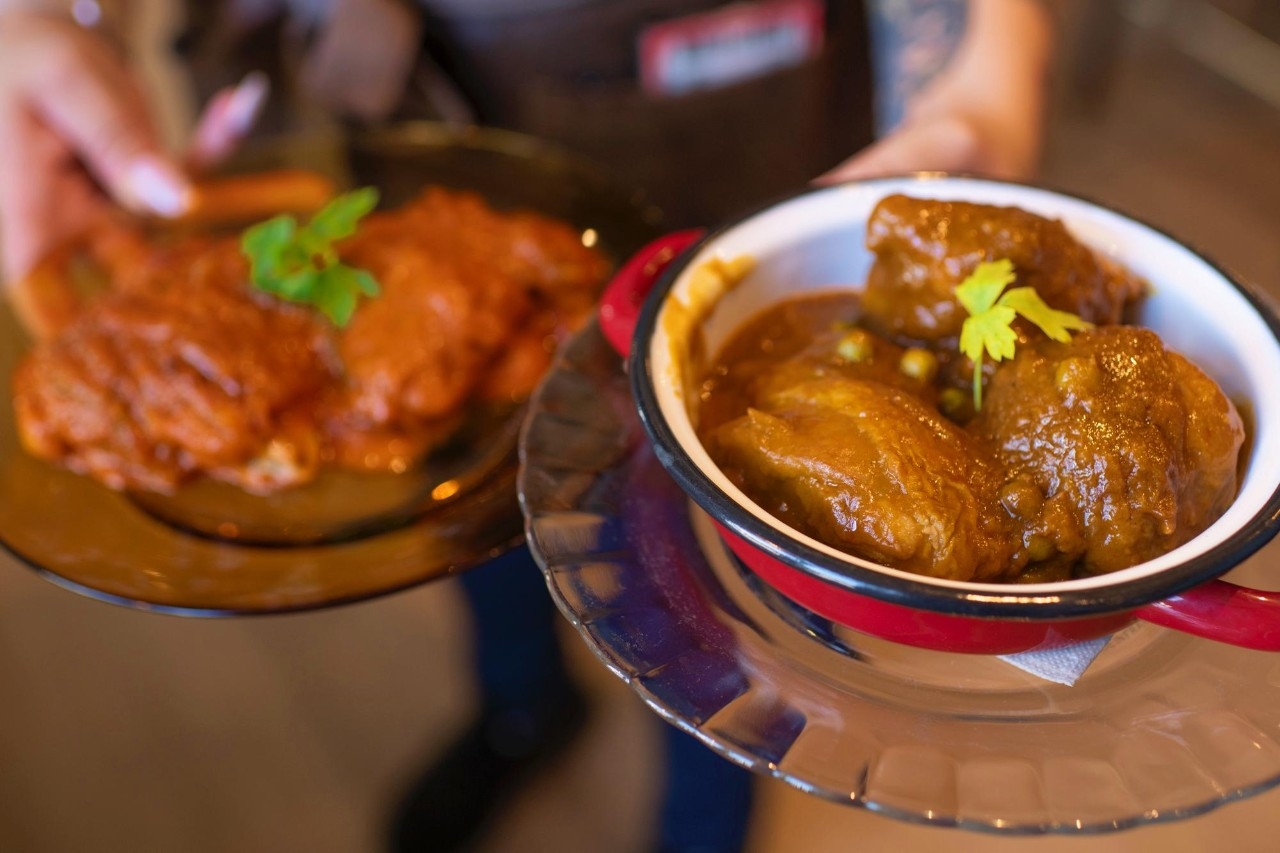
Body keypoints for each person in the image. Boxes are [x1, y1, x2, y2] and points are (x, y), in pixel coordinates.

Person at [0, 1, 1054, 851]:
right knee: (470, 500)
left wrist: (987, 70)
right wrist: (45, 21)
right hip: (372, 182)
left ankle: (704, 823)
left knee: (725, 593)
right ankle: (522, 706)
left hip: (726, 141)